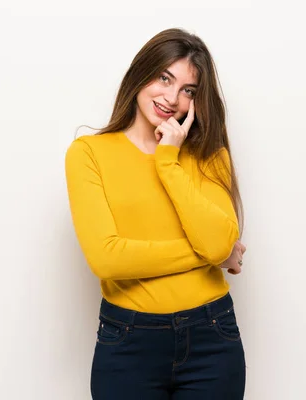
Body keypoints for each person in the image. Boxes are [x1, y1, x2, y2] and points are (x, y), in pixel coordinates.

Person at [64, 27, 247, 399]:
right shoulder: (88, 154)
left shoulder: (210, 156)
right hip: (128, 341)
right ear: (141, 73)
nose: (171, 98)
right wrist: (211, 255)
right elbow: (107, 259)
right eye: (165, 78)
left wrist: (168, 161)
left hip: (212, 337)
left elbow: (215, 244)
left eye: (188, 90)